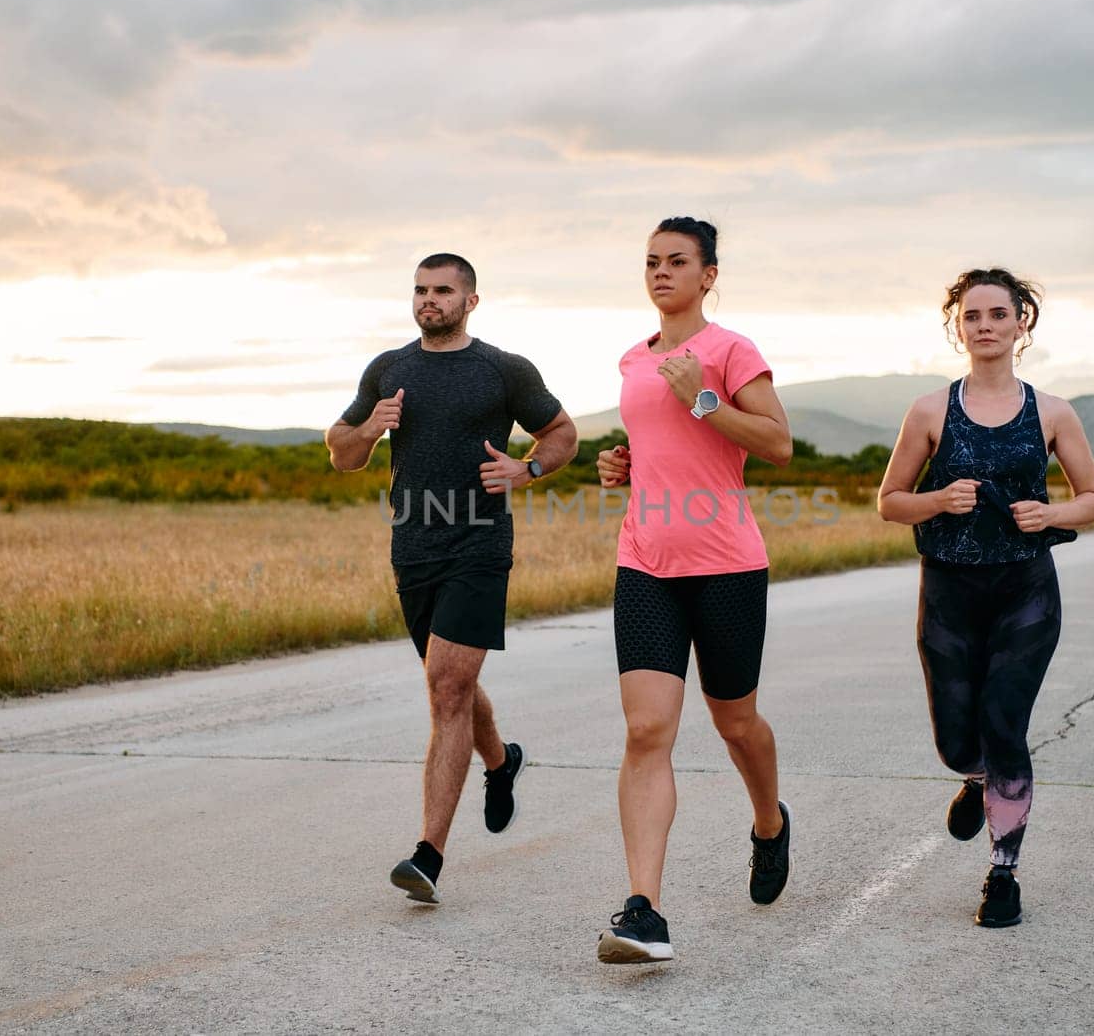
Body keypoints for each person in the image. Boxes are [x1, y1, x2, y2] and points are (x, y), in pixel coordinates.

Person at [326, 252, 578, 905]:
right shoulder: (389, 369)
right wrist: (369, 430)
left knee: (446, 685)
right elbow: (340, 452)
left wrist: (528, 469)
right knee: (452, 684)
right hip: (412, 547)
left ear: (471, 299)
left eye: (442, 290)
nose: (428, 300)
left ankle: (428, 854)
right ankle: (501, 761)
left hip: (480, 542)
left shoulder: (504, 370)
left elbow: (561, 431)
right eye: (420, 289)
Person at [877, 267, 1094, 927]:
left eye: (997, 314)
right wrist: (938, 499)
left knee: (1005, 722)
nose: (984, 326)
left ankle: (1002, 872)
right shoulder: (929, 410)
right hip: (949, 590)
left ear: (1021, 323)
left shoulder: (1053, 412)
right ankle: (972, 775)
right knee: (958, 738)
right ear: (958, 326)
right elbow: (890, 501)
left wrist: (1052, 513)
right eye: (972, 315)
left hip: (1025, 591)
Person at [593, 218, 794, 964]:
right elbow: (660, 450)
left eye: (678, 261)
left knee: (736, 723)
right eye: (651, 261)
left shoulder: (730, 350)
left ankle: (769, 821)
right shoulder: (631, 359)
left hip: (727, 564)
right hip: (646, 561)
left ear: (709, 274)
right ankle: (643, 908)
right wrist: (623, 466)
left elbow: (776, 442)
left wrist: (704, 400)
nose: (661, 272)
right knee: (647, 731)